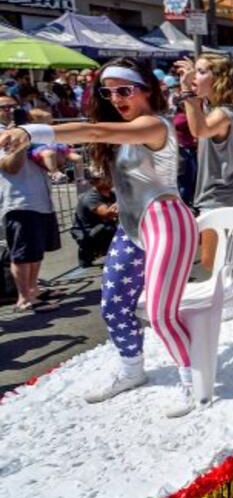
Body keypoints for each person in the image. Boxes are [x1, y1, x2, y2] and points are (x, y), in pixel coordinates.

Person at [1, 59, 200, 415]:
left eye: (124, 90)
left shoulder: (154, 124)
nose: (115, 98)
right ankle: (131, 370)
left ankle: (192, 382)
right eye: (107, 92)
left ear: (146, 90)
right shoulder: (126, 129)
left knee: (160, 311)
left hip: (167, 222)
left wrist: (35, 132)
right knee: (113, 304)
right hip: (132, 227)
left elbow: (94, 132)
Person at [176, 53, 233, 269]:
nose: (193, 76)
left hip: (220, 197)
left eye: (201, 72)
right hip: (228, 193)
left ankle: (231, 300)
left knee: (215, 262)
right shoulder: (224, 110)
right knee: (228, 262)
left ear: (218, 79)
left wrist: (187, 93)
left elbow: (199, 130)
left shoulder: (224, 113)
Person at [0, 94, 61, 312]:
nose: (8, 111)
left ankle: (33, 290)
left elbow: (51, 160)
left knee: (36, 251)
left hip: (40, 199)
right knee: (23, 254)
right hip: (18, 200)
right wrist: (21, 144)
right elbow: (10, 167)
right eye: (3, 107)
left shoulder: (27, 130)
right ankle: (23, 298)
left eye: (12, 107)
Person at [70, 170, 118, 268]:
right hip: (87, 232)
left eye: (109, 177)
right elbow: (107, 214)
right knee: (108, 228)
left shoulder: (112, 194)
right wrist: (122, 204)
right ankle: (88, 251)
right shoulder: (91, 197)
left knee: (114, 226)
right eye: (104, 178)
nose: (110, 180)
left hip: (100, 227)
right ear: (95, 182)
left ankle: (100, 252)